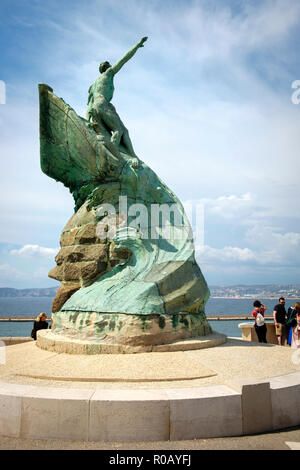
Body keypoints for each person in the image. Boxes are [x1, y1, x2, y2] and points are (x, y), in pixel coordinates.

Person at [87, 37, 148, 162]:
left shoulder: (93, 85)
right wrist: (137, 46)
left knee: (124, 131)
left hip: (96, 107)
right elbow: (124, 59)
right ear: (107, 67)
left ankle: (133, 155)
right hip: (103, 104)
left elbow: (89, 104)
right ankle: (111, 157)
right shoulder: (109, 73)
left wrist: (87, 120)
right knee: (118, 130)